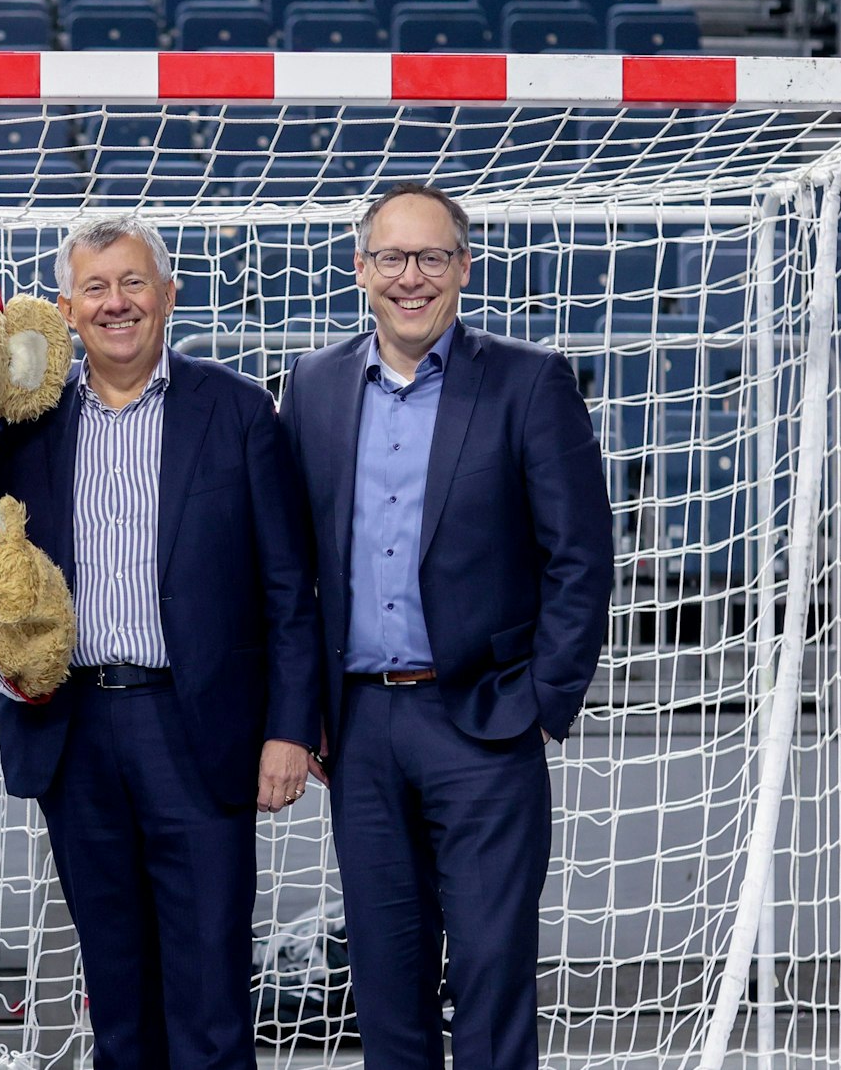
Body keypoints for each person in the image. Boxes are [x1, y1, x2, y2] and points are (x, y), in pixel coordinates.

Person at [0, 214, 321, 1070]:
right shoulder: (25, 429)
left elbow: (289, 588)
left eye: (133, 283)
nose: (116, 303)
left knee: (209, 998)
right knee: (118, 999)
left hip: (198, 730)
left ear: (168, 294)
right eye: (96, 287)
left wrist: (290, 728)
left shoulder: (237, 411)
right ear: (66, 307)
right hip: (76, 729)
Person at [280, 182, 614, 1070]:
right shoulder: (311, 385)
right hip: (359, 731)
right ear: (360, 269)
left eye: (432, 257)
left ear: (465, 269)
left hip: (486, 722)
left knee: (492, 970)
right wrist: (299, 707)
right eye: (392, 257)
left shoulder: (527, 381)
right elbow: (292, 566)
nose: (411, 276)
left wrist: (544, 698)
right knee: (386, 981)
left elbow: (580, 554)